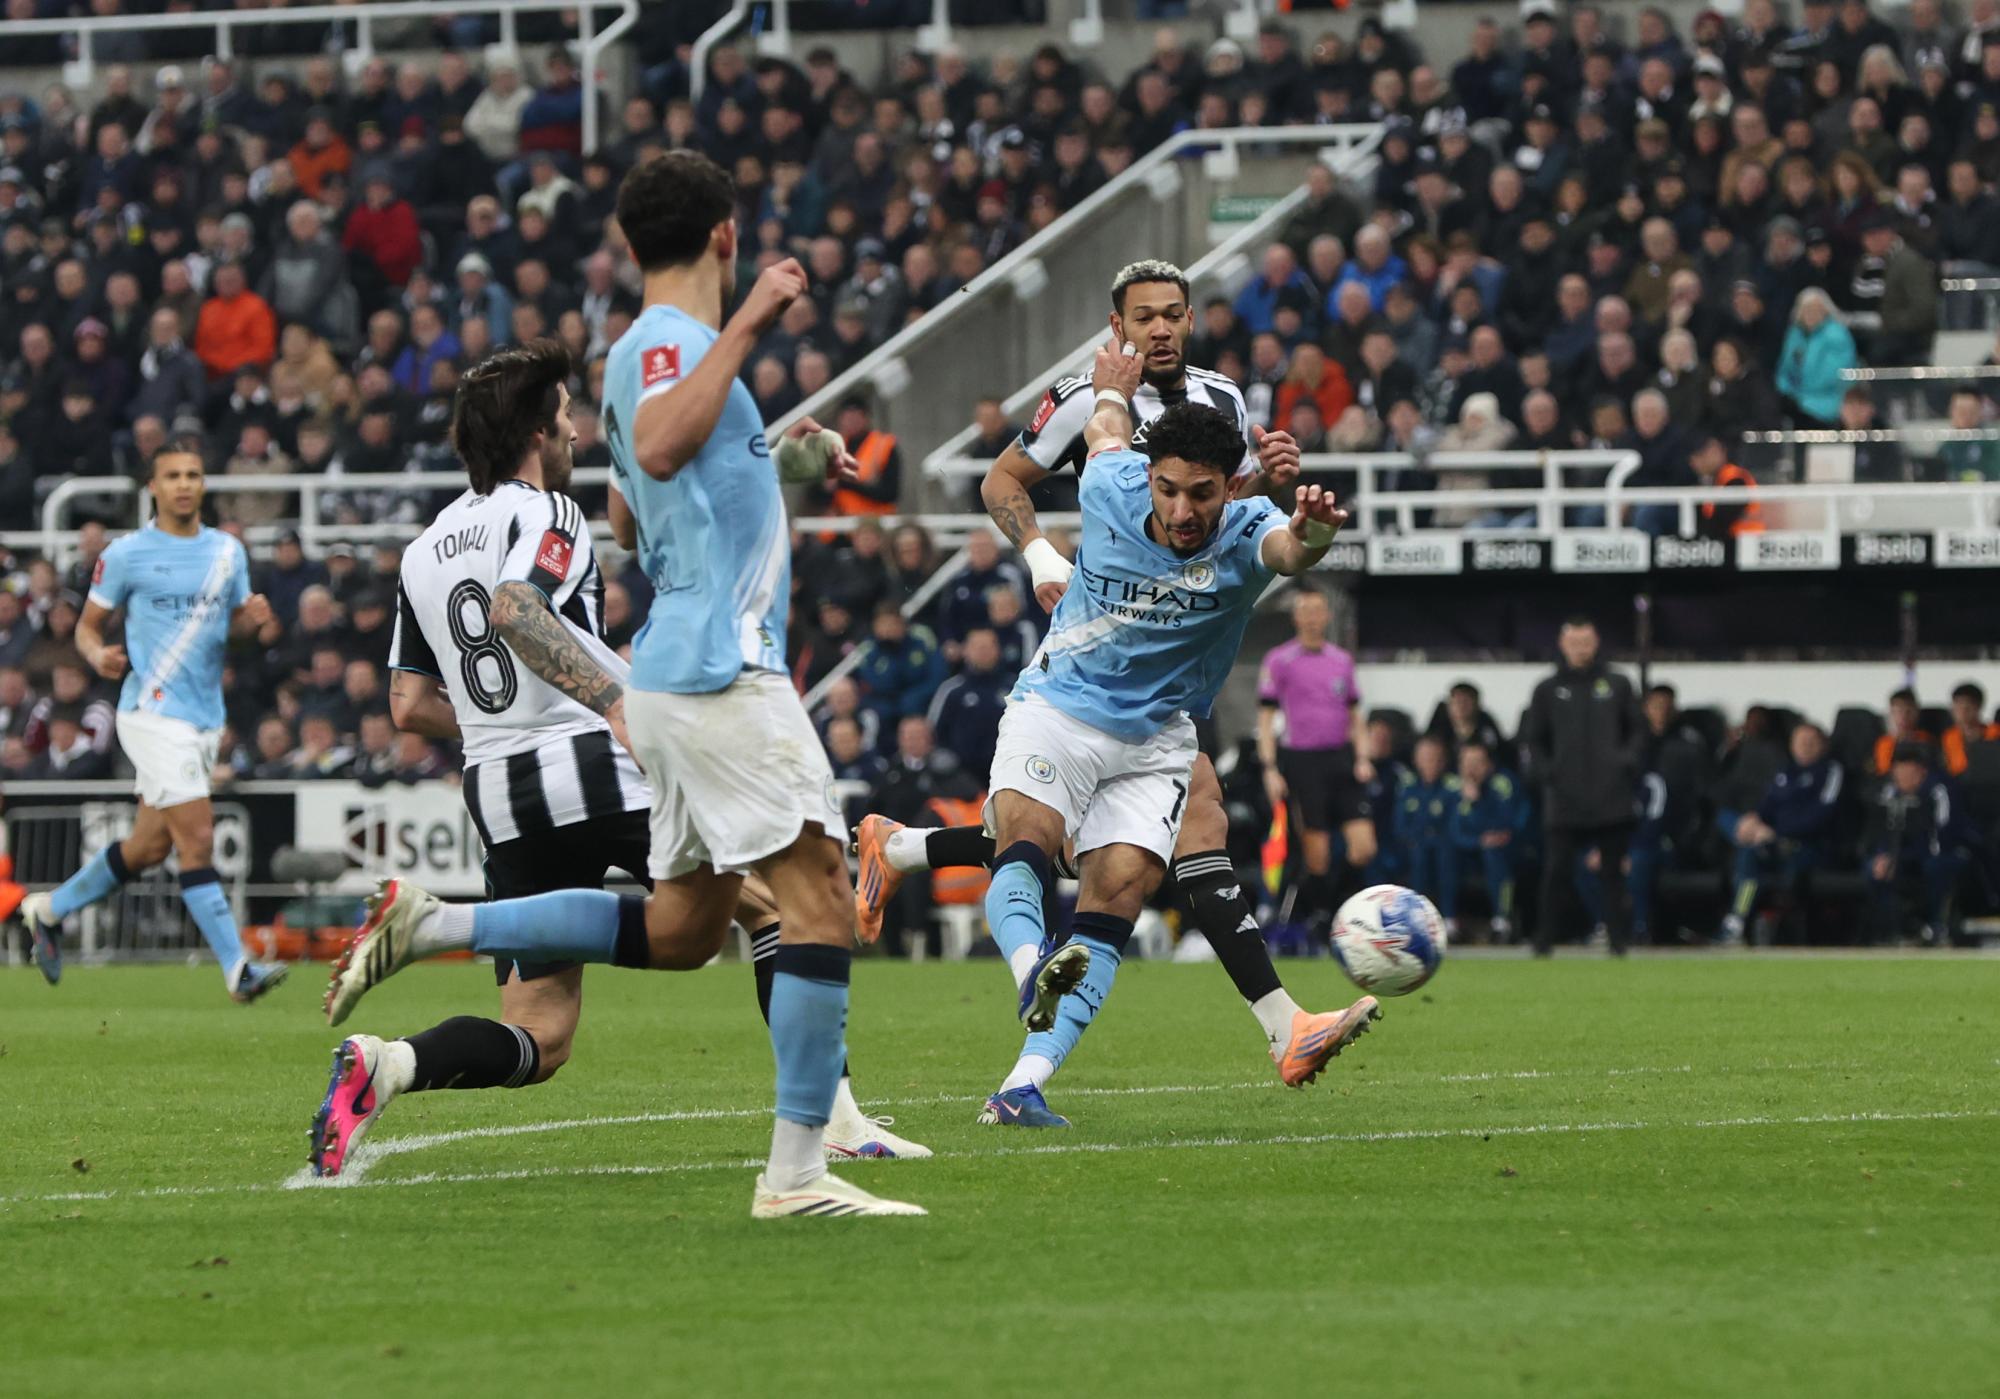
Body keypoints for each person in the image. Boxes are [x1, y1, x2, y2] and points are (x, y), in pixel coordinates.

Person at [321, 152, 925, 1219]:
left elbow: (415, 700)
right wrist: (610, 704)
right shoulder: (628, 400)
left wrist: (776, 460)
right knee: (802, 901)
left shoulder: (427, 544)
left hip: (503, 781)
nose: (570, 431)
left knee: (618, 979)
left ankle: (414, 995)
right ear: (727, 237)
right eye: (558, 420)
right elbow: (538, 588)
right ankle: (815, 1143)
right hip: (641, 718)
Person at [854, 260, 1366, 1089]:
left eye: (1173, 313)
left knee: (1124, 855)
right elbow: (1007, 476)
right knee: (1112, 832)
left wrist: (1282, 493)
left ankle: (909, 856)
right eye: (1144, 316)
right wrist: (1039, 555)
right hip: (1083, 662)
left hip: (1166, 692)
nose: (1159, 328)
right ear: (1116, 324)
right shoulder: (1086, 414)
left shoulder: (1224, 401)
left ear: (1192, 319)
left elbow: (1238, 517)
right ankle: (1278, 1022)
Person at [970, 346, 1375, 1128]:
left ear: (1232, 486)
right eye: (1169, 489)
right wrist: (1110, 391)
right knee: (1026, 838)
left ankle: (1021, 1087)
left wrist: (1316, 534)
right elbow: (1105, 432)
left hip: (1156, 740)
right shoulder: (1110, 483)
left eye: (1202, 493)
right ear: (1148, 477)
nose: (1183, 510)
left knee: (1116, 896)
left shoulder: (1250, 529)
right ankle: (1031, 970)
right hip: (1059, 705)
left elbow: (1290, 551)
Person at [20, 439, 286, 997]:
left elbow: (234, 634)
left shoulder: (227, 552)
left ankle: (48, 911)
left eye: (193, 474)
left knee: (148, 847)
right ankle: (238, 969)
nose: (184, 484)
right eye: (173, 476)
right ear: (153, 488)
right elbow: (87, 627)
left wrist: (253, 622)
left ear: (203, 484)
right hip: (151, 714)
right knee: (199, 838)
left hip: (203, 718)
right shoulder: (127, 554)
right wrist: (97, 654)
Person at [1521, 617, 1647, 957]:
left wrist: (1625, 763)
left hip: (1611, 797)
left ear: (1596, 643)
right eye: (1574, 642)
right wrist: (1549, 773)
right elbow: (1534, 739)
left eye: (1586, 642)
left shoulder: (1618, 683)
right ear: (1563, 645)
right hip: (1564, 798)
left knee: (1613, 873)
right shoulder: (1547, 689)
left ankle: (1619, 943)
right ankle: (1544, 941)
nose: (1580, 649)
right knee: (1556, 871)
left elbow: (1637, 731)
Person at [1256, 586, 1374, 936]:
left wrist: (1363, 756)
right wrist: (1270, 768)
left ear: (1327, 615)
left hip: (1340, 757)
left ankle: (1340, 904)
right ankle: (1323, 917)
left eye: (1317, 611)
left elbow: (1355, 715)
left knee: (1363, 848)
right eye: (1305, 611)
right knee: (1316, 854)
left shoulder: (1341, 660)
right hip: (1302, 761)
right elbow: (1265, 719)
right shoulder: (1279, 660)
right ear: (1296, 617)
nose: (1312, 618)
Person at [1720, 721, 1845, 946]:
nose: (1805, 746)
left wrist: (1775, 832)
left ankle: (1753, 923)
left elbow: (1822, 815)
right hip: (1773, 844)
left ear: (1823, 745)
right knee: (1745, 850)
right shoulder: (1786, 772)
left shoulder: (1830, 771)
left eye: (1811, 741)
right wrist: (1754, 822)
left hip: (1809, 847)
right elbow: (1767, 806)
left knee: (1761, 857)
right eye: (1800, 742)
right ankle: (1737, 919)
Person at [1863, 742, 1973, 945]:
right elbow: (1882, 831)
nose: (1903, 776)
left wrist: (1900, 858)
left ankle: (1934, 925)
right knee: (1874, 870)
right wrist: (1884, 856)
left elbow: (1943, 836)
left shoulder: (1941, 790)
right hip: (1905, 856)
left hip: (1942, 852)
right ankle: (1892, 929)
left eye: (1909, 770)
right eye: (1899, 770)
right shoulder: (1889, 792)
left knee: (1935, 867)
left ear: (1922, 770)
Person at [1448, 740, 1529, 941]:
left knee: (1494, 853)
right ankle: (1448, 922)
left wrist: (1477, 803)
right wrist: (1477, 840)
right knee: (1445, 854)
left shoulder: (1502, 785)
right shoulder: (1453, 788)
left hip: (1505, 850)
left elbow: (1504, 827)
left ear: (1489, 765)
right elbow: (1453, 832)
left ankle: (1502, 921)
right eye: (1466, 762)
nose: (1471, 769)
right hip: (1470, 849)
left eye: (1477, 762)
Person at [1872, 686, 1934, 772]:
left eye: (1908, 711)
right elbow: (1884, 772)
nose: (1904, 717)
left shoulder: (1926, 739)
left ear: (1917, 712)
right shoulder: (1885, 743)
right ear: (1891, 714)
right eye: (1899, 711)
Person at [1942, 682, 1998, 776]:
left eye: (1967, 707)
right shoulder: (1949, 736)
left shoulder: (1994, 732)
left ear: (1978, 707)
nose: (1962, 712)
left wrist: (1980, 740)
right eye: (1958, 706)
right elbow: (1953, 768)